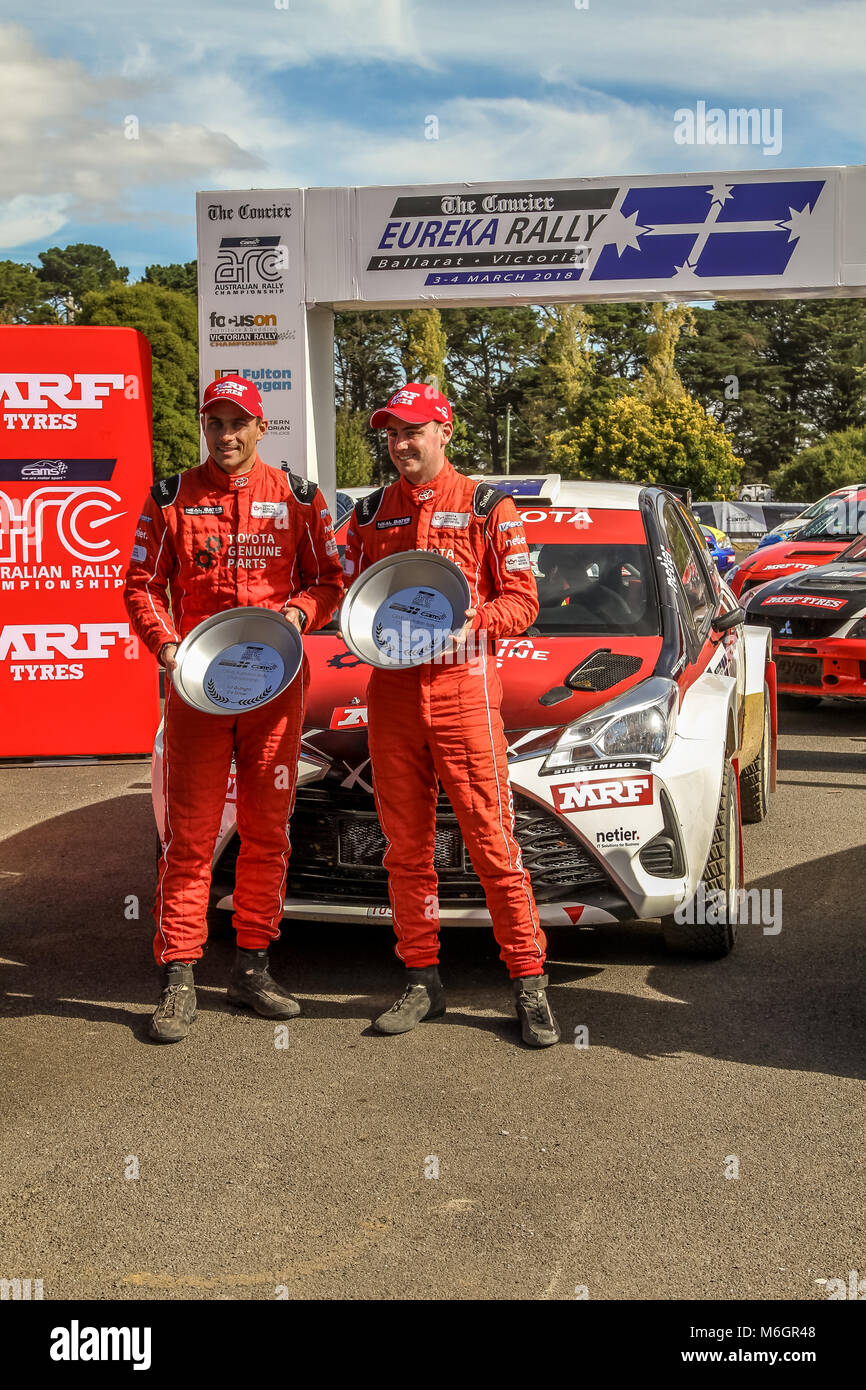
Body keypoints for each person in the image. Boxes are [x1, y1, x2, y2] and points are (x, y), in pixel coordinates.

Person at [124, 374, 343, 1043]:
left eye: (237, 423)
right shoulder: (171, 496)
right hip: (198, 692)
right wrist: (164, 646)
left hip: (276, 692)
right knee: (189, 838)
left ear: (260, 428)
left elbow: (329, 582)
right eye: (214, 424)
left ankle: (252, 965)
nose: (225, 436)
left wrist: (299, 615)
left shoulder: (301, 497)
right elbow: (140, 585)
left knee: (266, 833)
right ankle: (181, 973)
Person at [344, 383, 561, 1047]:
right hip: (393, 695)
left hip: (465, 692)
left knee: (495, 845)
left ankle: (528, 985)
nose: (402, 444)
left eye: (414, 430)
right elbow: (344, 591)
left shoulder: (491, 505)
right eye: (391, 433)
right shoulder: (369, 511)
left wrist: (476, 619)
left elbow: (524, 601)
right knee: (406, 852)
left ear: (445, 431)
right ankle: (420, 980)